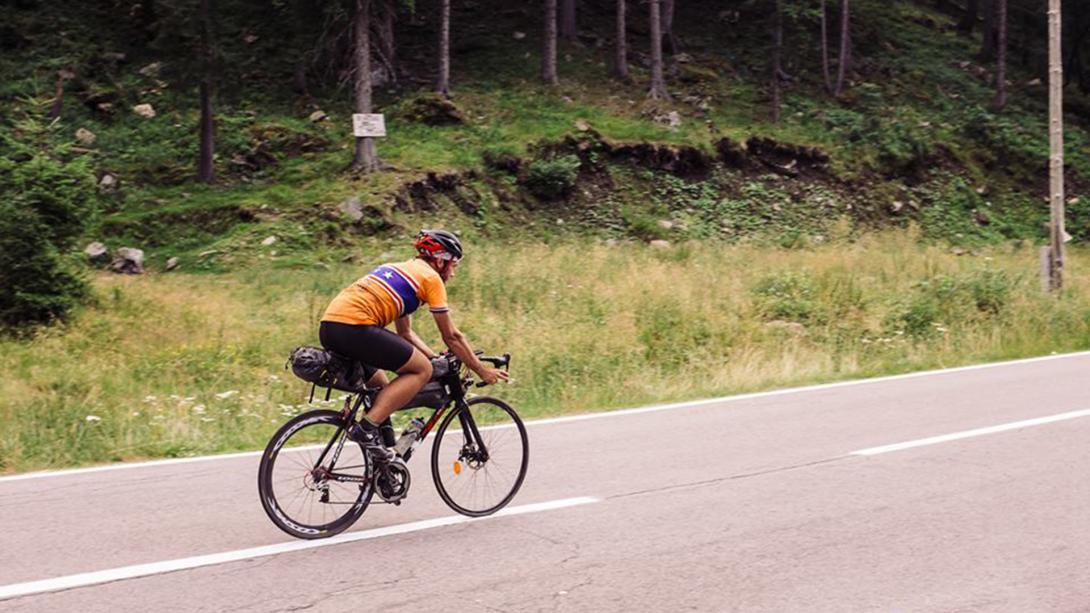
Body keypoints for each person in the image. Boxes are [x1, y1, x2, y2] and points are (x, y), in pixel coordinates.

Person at [319, 229, 508, 454]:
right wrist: (480, 370)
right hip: (356, 327)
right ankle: (365, 428)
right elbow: (452, 336)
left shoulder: (399, 270)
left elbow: (406, 333)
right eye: (454, 265)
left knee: (382, 390)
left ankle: (385, 461)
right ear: (441, 260)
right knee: (421, 370)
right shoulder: (431, 278)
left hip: (330, 327)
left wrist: (436, 358)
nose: (453, 274)